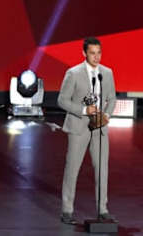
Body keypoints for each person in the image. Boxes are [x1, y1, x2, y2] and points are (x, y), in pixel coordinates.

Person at [57, 37, 117, 224]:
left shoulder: (107, 73)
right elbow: (62, 100)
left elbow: (112, 98)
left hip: (99, 128)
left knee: (101, 170)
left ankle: (102, 209)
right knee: (72, 168)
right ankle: (67, 210)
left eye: (99, 52)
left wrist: (106, 116)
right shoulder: (73, 73)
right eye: (92, 53)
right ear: (84, 53)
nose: (96, 57)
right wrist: (84, 110)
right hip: (79, 127)